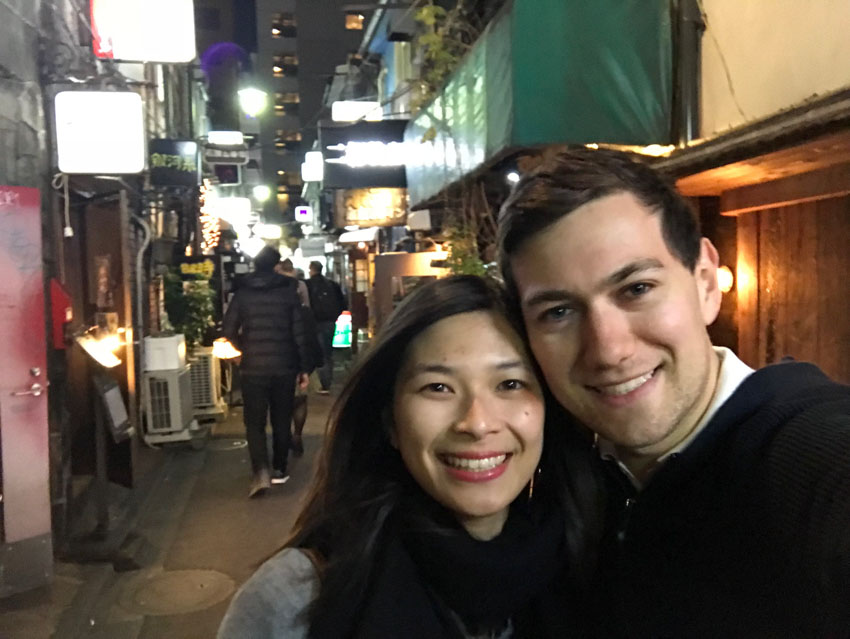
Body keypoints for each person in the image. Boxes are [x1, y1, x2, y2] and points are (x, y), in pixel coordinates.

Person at [497, 147, 850, 637]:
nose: (608, 350)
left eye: (637, 289)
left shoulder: (807, 458)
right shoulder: (567, 480)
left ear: (705, 283)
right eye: (558, 312)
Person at [218, 275, 600, 639]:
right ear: (390, 422)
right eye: (438, 387)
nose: (477, 423)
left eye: (510, 384)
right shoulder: (294, 601)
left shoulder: (595, 565)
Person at [222, 245, 311, 498]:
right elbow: (298, 333)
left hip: (252, 368)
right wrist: (303, 367)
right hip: (284, 366)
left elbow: (228, 331)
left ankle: (260, 470)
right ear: (276, 265)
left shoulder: (243, 293)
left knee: (254, 422)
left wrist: (244, 350)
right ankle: (280, 469)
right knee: (282, 417)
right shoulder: (288, 293)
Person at [275, 258, 322, 456]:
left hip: (280, 362)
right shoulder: (304, 312)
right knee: (301, 401)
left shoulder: (275, 312)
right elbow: (312, 338)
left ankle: (283, 437)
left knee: (280, 402)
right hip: (302, 362)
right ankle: (298, 434)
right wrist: (313, 362)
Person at [305, 260, 346, 394]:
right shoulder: (332, 285)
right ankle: (327, 383)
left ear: (311, 269)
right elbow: (343, 304)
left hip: (313, 323)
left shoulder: (308, 285)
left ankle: (319, 382)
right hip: (330, 322)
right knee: (327, 353)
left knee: (316, 352)